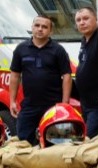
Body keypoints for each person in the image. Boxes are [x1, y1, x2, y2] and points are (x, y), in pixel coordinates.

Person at [9, 15, 72, 145]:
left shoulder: (58, 50)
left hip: (52, 106)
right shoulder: (21, 49)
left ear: (51, 31)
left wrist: (64, 104)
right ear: (32, 28)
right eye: (37, 25)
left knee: (54, 143)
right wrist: (12, 101)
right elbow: (15, 76)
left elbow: (66, 77)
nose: (40, 29)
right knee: (24, 142)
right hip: (29, 106)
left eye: (44, 27)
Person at [74, 6, 98, 138]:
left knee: (92, 140)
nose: (82, 22)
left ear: (96, 19)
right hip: (86, 104)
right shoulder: (84, 40)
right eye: (78, 20)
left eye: (86, 18)